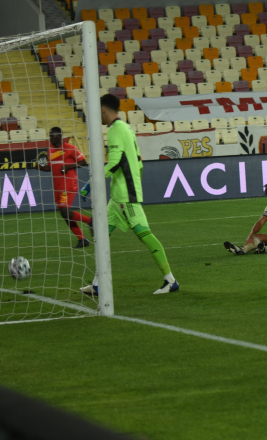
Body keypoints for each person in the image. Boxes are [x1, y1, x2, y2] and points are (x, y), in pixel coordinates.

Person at [80, 94, 179, 295]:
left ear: (103, 110)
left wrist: (92, 183)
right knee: (101, 235)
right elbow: (139, 162)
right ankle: (98, 283)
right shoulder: (126, 129)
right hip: (117, 199)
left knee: (145, 235)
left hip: (125, 197)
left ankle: (170, 280)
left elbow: (115, 162)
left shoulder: (116, 131)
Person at [34, 127, 93, 248]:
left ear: (60, 136)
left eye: (53, 136)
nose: (50, 138)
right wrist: (40, 167)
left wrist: (68, 167)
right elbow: (51, 167)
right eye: (49, 136)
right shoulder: (50, 151)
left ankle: (90, 221)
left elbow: (83, 162)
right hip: (58, 188)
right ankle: (82, 239)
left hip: (69, 185)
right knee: (64, 214)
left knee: (65, 211)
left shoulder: (70, 148)